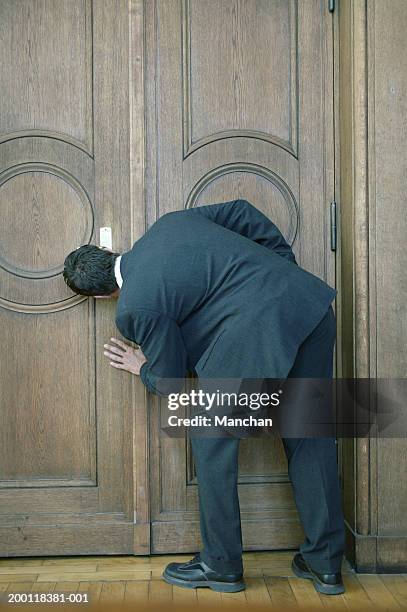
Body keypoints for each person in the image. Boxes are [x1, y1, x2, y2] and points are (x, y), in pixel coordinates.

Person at [63, 199, 345, 595]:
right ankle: (326, 564)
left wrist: (140, 365)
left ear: (97, 296)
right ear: (107, 250)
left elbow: (172, 379)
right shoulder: (169, 223)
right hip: (307, 306)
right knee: (310, 435)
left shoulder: (133, 308)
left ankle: (221, 565)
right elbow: (245, 210)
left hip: (255, 337)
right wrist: (283, 269)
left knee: (209, 440)